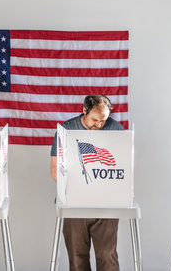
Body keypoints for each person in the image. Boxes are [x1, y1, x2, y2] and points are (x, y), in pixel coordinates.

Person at [50, 95, 124, 271]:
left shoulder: (115, 128)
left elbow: (124, 167)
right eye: (95, 119)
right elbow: (54, 170)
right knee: (77, 258)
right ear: (84, 111)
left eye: (103, 120)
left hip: (107, 203)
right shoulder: (66, 129)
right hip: (75, 202)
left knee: (108, 257)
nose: (99, 124)